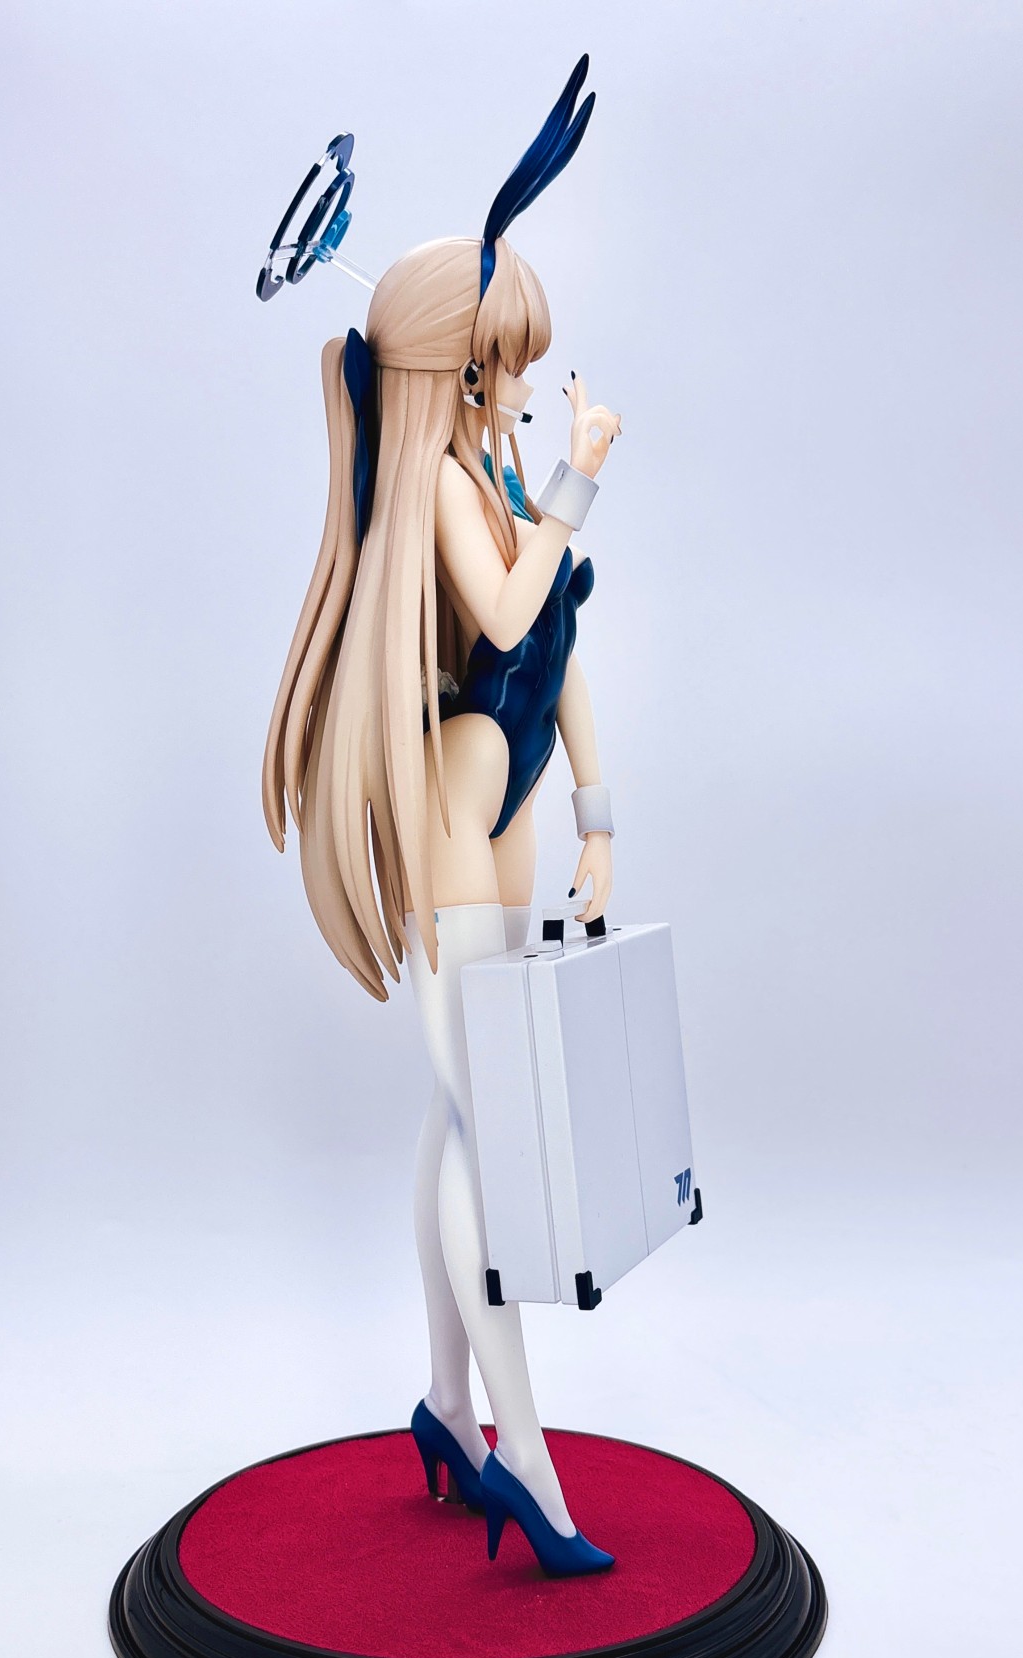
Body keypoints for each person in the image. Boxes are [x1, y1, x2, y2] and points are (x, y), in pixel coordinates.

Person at [263, 74, 623, 1578]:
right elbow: (517, 610)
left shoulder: (490, 469)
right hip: (455, 804)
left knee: (461, 1112)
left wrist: (599, 816)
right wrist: (582, 475)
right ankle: (523, 1462)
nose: (521, 384)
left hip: (516, 794)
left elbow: (563, 642)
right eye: (501, 363)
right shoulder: (442, 490)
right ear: (455, 370)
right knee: (490, 1122)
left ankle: (440, 1403)